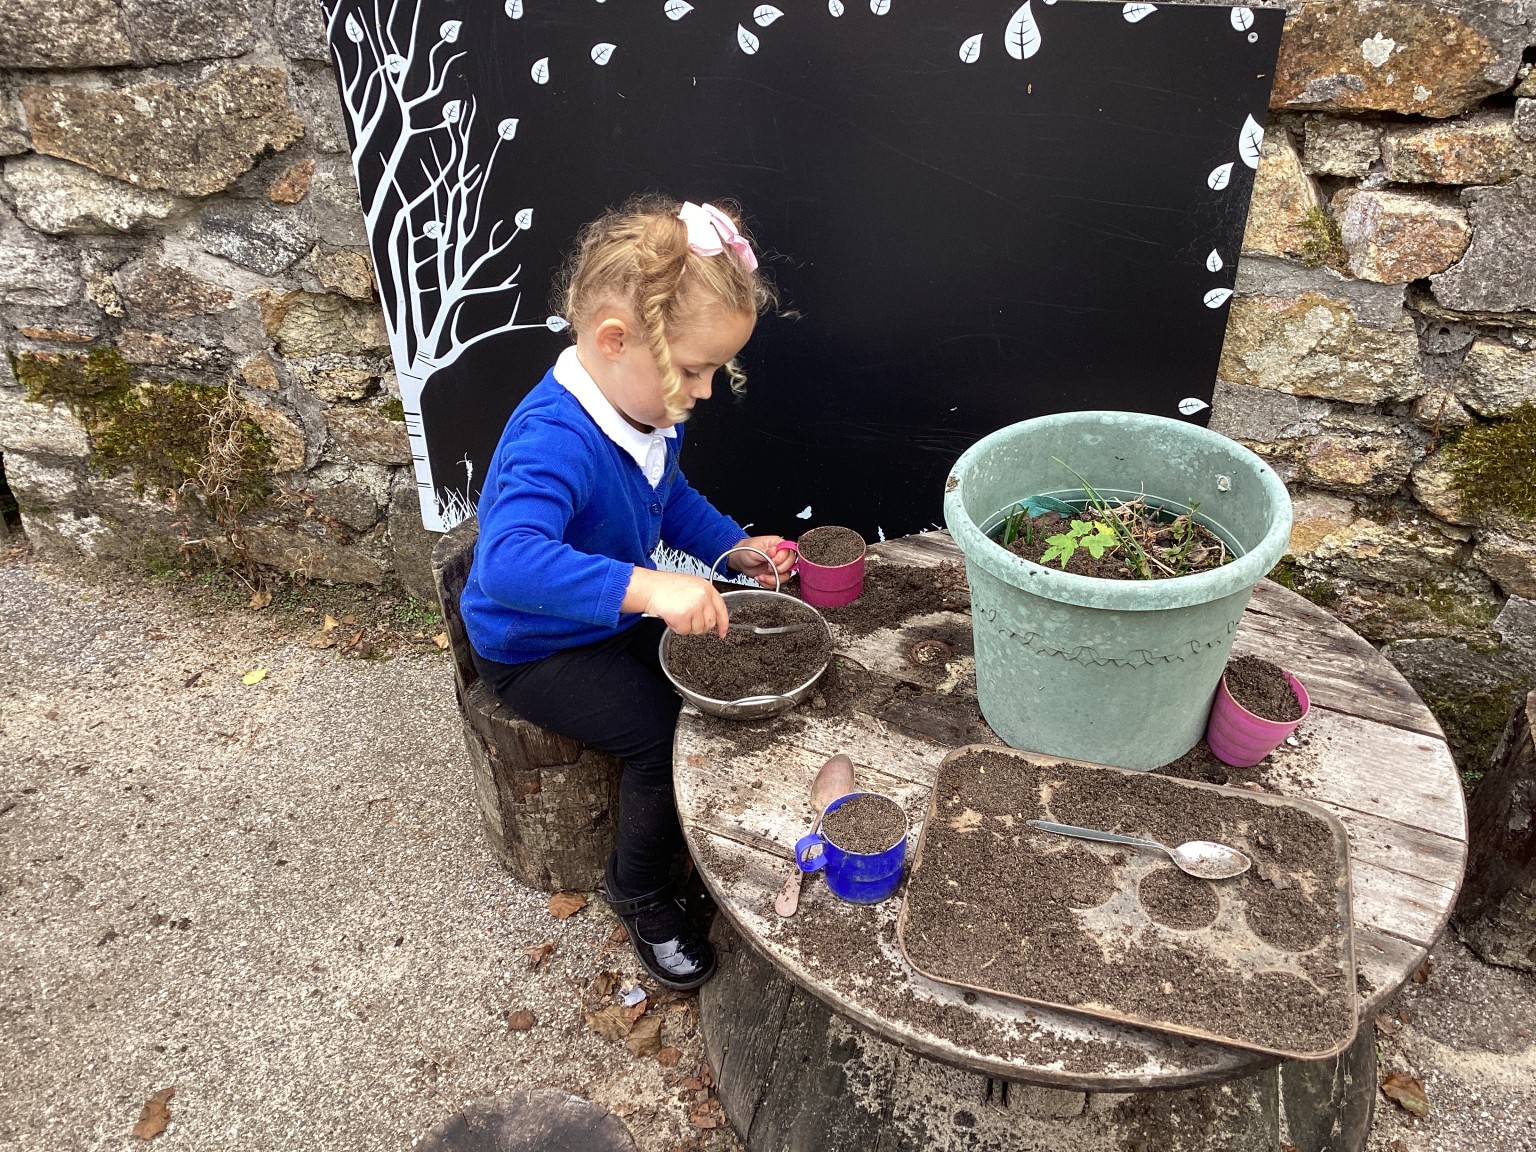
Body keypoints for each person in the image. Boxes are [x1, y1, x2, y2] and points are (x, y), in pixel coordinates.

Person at [460, 195, 795, 989]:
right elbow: (508, 563)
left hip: (609, 613)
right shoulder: (554, 440)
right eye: (694, 369)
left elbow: (669, 496)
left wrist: (731, 548)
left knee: (722, 657)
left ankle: (700, 826)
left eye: (714, 369)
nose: (706, 391)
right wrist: (650, 587)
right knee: (656, 730)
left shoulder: (647, 407)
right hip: (535, 644)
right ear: (615, 341)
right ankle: (638, 889)